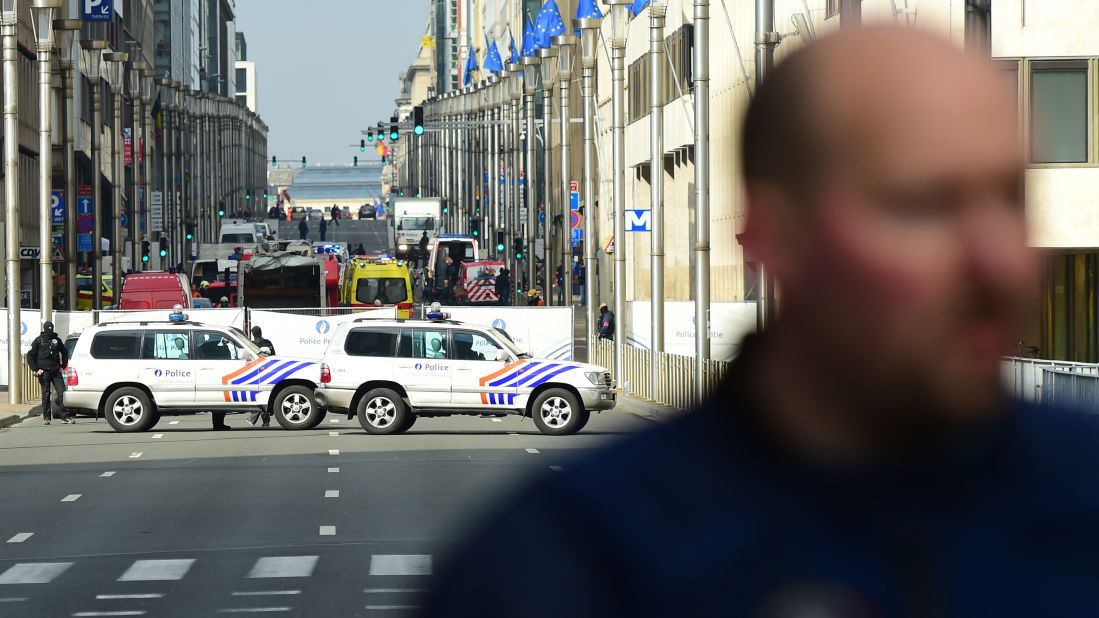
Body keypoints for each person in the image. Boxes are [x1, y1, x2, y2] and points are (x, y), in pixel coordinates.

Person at [423, 27, 1096, 616]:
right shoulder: (573, 567)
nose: (999, 262)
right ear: (775, 236)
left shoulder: (1078, 496)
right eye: (923, 207)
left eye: (1009, 198)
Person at [26, 321, 71, 425]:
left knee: (62, 393)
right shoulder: (38, 340)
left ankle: (65, 416)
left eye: (51, 328)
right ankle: (47, 418)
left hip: (56, 371)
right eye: (48, 328)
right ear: (45, 328)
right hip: (44, 372)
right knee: (46, 395)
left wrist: (62, 366)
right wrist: (36, 369)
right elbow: (30, 356)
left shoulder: (57, 340)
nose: (50, 330)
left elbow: (65, 352)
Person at [245, 326, 276, 427]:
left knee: (260, 397)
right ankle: (264, 421)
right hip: (269, 371)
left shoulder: (253, 344)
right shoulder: (268, 342)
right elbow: (274, 355)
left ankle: (254, 418)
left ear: (252, 334)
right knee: (264, 396)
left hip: (257, 372)